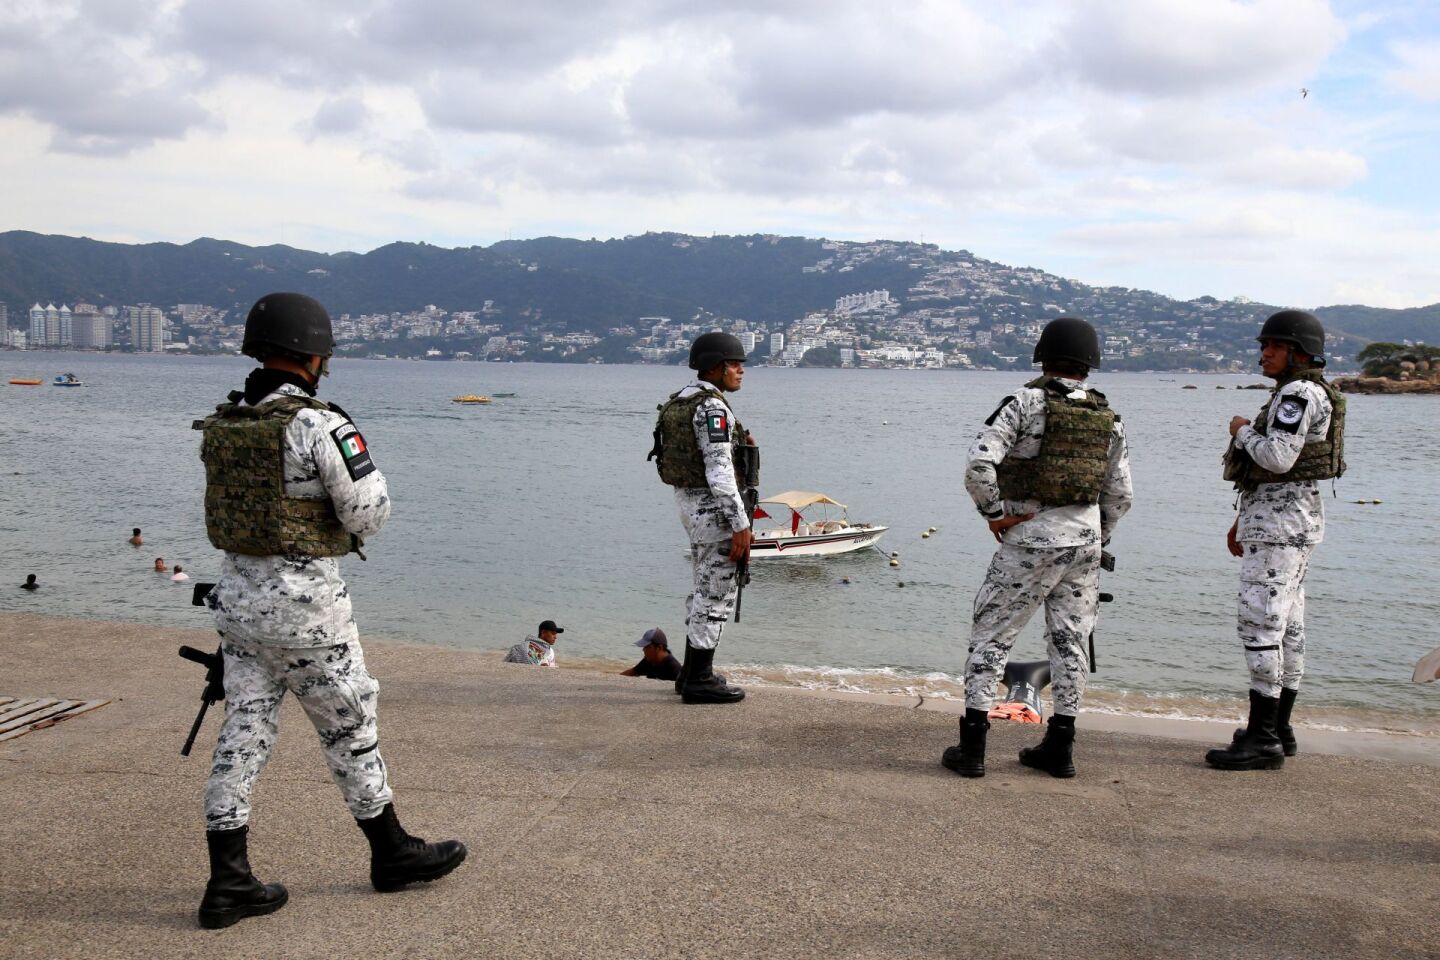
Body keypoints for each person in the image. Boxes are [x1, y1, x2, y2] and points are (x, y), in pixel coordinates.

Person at [191, 291, 464, 929]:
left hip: (238, 610)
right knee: (349, 728)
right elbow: (369, 512)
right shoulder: (318, 424)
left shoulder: (227, 422)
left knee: (242, 738)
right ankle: (391, 852)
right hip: (309, 615)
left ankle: (228, 881)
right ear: (316, 355)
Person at [943, 317, 1133, 779]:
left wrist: (995, 515)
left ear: (1043, 356)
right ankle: (1060, 748)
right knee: (1071, 644)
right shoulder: (1108, 416)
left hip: (1029, 541)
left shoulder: (1024, 404)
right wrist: (1098, 533)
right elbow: (1121, 494)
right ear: (1090, 363)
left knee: (992, 637)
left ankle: (973, 750)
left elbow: (978, 467)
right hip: (1084, 546)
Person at [1207, 310, 1344, 771]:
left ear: (1299, 352)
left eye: (1273, 346)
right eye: (1264, 345)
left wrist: (1241, 429)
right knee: (1289, 628)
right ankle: (1279, 728)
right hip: (1290, 523)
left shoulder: (1297, 394)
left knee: (1260, 627)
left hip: (1280, 530)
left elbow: (1277, 457)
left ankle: (1263, 738)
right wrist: (1241, 521)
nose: (1264, 352)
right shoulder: (1310, 392)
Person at [648, 332, 758, 705]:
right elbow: (720, 472)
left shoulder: (682, 398)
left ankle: (694, 673)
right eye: (734, 363)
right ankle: (699, 680)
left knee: (702, 588)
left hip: (690, 506)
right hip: (715, 512)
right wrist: (740, 524)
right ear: (716, 366)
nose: (741, 370)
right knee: (716, 594)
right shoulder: (713, 409)